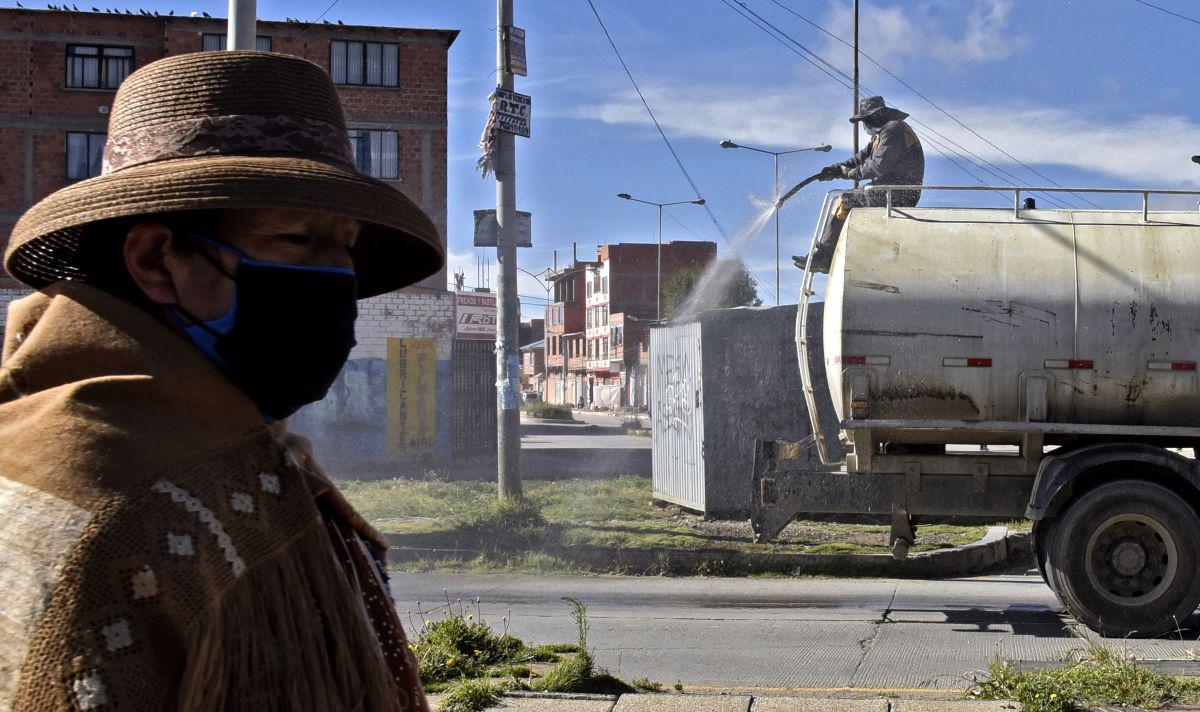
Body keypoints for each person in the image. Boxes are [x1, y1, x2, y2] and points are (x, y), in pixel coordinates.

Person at [0, 51, 443, 711]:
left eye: (345, 244)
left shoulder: (238, 447)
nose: (339, 276)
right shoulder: (116, 501)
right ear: (156, 260)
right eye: (299, 238)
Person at [793, 95, 924, 274]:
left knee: (845, 200)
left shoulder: (893, 129)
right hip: (888, 190)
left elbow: (878, 165)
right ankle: (828, 252)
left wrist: (849, 173)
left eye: (866, 120)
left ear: (876, 116)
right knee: (849, 197)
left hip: (900, 193)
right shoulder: (880, 136)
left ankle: (825, 256)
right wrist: (837, 168)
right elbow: (860, 159)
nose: (865, 125)